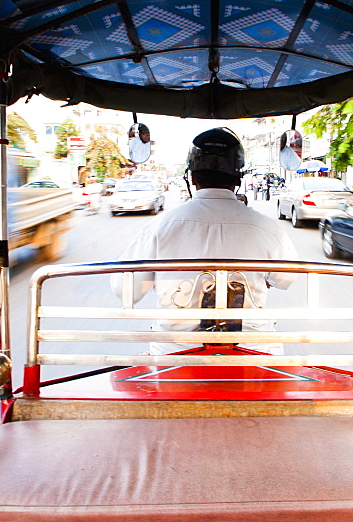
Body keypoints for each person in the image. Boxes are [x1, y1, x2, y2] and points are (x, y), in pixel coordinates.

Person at [111, 127, 298, 355]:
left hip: (176, 355)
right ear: (238, 177)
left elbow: (125, 290)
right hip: (251, 354)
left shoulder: (160, 227)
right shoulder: (267, 228)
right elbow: (286, 280)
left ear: (191, 177)